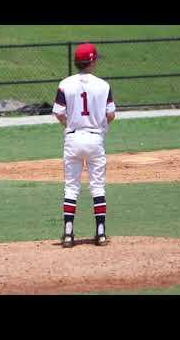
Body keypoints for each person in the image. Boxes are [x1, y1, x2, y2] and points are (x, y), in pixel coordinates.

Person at [52, 42, 116, 248]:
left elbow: (58, 113)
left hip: (73, 137)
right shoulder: (104, 85)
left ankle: (68, 234)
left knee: (71, 187)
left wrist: (69, 124)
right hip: (95, 139)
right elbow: (111, 114)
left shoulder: (65, 84)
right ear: (93, 61)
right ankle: (101, 233)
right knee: (97, 186)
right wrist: (101, 125)